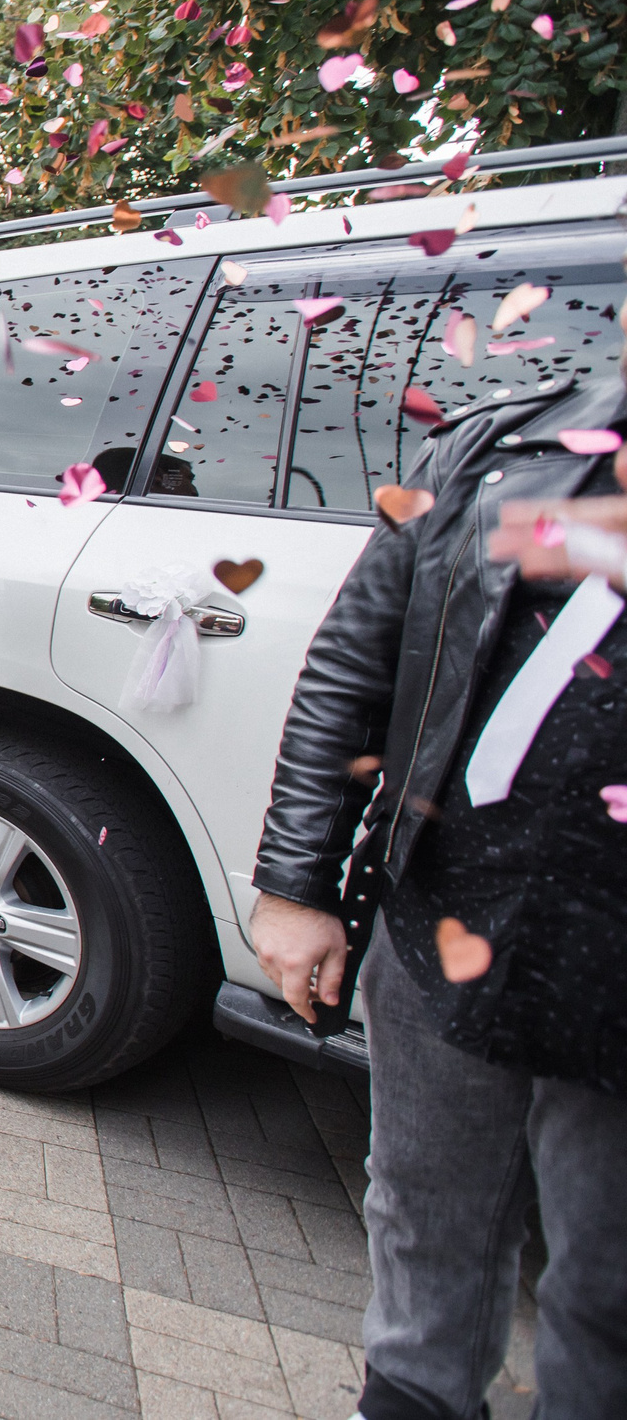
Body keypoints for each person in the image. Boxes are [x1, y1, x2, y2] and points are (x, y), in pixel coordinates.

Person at [253, 366, 627, 1420]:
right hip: (443, 927)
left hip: (611, 977)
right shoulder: (496, 446)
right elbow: (350, 662)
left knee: (603, 1295)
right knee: (421, 1218)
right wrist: (294, 882)